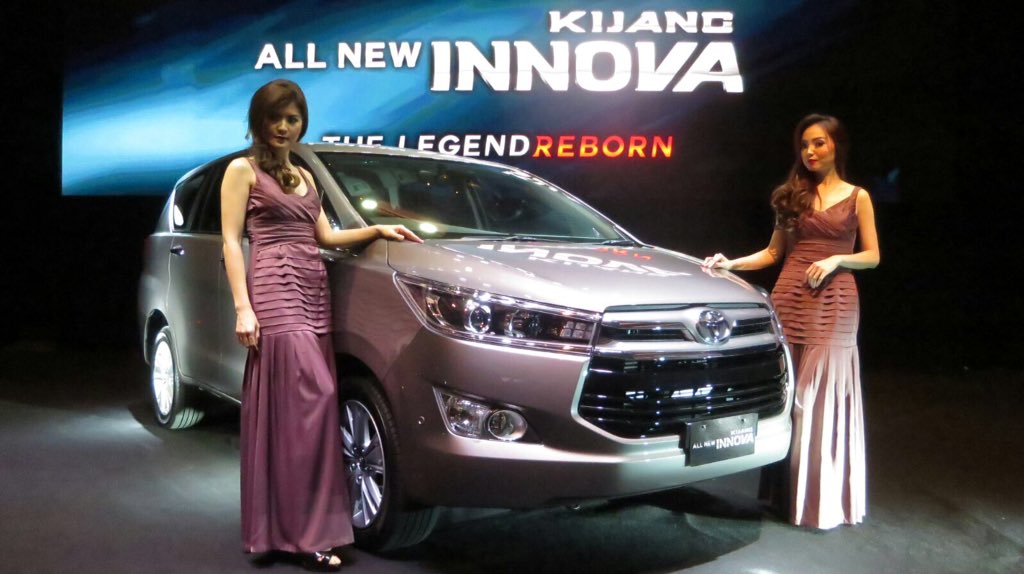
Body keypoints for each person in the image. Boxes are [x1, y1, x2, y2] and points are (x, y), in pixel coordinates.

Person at [221, 79, 421, 570]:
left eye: (292, 119)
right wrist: (243, 307)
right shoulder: (241, 170)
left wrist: (376, 229)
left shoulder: (305, 174)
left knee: (304, 411)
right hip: (274, 291)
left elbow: (326, 236)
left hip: (313, 293)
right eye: (275, 118)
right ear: (258, 121)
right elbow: (230, 241)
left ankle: (292, 528)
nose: (283, 127)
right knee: (311, 401)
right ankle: (305, 533)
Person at [703, 114, 880, 529]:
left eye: (818, 143)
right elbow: (772, 253)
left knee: (817, 398)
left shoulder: (858, 197)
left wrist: (837, 259)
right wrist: (730, 263)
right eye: (804, 145)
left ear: (837, 146)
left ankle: (819, 501)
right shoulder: (792, 196)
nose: (810, 152)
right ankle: (786, 498)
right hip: (789, 299)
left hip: (834, 302)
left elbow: (872, 256)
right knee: (791, 399)